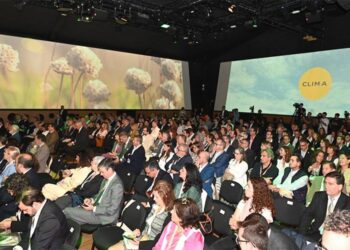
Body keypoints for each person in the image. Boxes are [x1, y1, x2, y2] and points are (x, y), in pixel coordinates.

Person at [99, 180, 175, 250]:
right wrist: (139, 231)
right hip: (141, 238)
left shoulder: (169, 216)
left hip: (150, 245)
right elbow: (146, 225)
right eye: (154, 196)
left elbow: (161, 240)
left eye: (157, 197)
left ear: (166, 197)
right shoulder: (154, 207)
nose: (154, 199)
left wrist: (141, 243)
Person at [63, 158, 124, 225]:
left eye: (102, 172)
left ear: (109, 170)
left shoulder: (117, 186)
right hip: (97, 209)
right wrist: (91, 200)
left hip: (104, 217)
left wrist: (94, 208)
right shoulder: (106, 179)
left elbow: (112, 210)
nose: (100, 174)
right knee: (72, 220)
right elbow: (99, 195)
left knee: (67, 211)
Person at [299, 171, 350, 242]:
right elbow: (307, 215)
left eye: (330, 184)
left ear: (340, 187)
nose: (326, 186)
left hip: (334, 238)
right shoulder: (319, 196)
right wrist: (301, 235)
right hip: (315, 232)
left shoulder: (347, 202)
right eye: (325, 183)